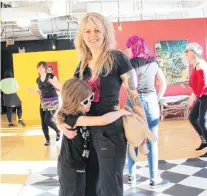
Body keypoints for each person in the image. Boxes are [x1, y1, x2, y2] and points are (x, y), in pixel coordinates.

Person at [58, 12, 146, 196]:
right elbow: (70, 100)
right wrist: (62, 123)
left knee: (110, 187)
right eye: (87, 31)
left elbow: (134, 95)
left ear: (105, 32)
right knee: (89, 187)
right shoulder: (81, 65)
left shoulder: (117, 58)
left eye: (97, 30)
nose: (92, 36)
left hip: (111, 132)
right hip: (86, 133)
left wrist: (143, 126)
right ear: (82, 35)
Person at [56, 78, 132, 196]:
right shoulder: (72, 118)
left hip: (80, 164)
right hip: (70, 167)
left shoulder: (82, 112)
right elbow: (102, 120)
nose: (90, 103)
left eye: (91, 97)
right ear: (74, 102)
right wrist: (121, 112)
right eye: (86, 101)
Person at [125, 35, 168, 188]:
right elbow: (163, 83)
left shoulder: (129, 64)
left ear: (135, 48)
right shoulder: (154, 63)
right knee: (152, 141)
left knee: (132, 139)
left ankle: (131, 176)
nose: (126, 50)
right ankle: (153, 179)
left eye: (128, 47)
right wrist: (156, 99)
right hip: (150, 101)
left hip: (133, 101)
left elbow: (127, 86)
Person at [28, 61, 61, 146]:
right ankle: (47, 140)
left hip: (53, 101)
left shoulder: (51, 76)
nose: (40, 69)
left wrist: (54, 83)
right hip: (43, 102)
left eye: (42, 67)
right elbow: (39, 93)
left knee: (47, 120)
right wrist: (33, 91)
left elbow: (59, 86)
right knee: (43, 122)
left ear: (45, 68)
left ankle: (57, 131)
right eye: (39, 67)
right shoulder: (38, 80)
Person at [184, 43, 207, 156]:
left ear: (193, 52)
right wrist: (188, 86)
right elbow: (197, 83)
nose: (185, 53)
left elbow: (203, 84)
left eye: (187, 51)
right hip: (201, 96)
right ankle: (204, 140)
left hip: (205, 96)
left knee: (202, 122)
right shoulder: (195, 65)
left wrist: (192, 97)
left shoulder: (201, 64)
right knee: (193, 118)